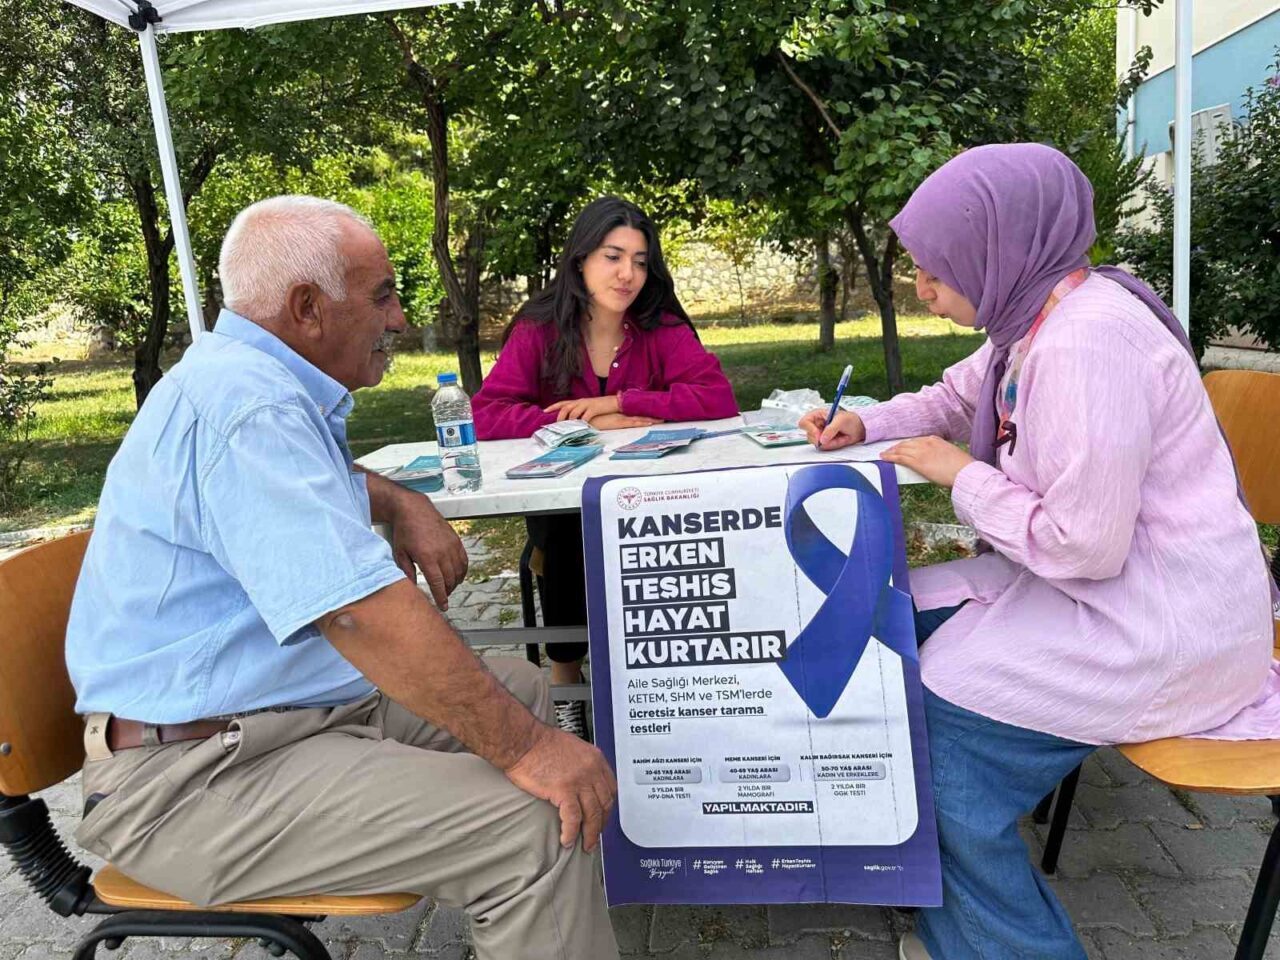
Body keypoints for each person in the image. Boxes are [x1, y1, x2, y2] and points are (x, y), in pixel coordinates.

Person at [65, 196, 621, 960]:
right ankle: (524, 889)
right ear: (307, 309)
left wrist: (395, 495)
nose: (397, 319)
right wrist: (531, 754)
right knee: (538, 822)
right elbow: (361, 616)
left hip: (264, 719)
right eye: (383, 296)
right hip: (190, 782)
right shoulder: (246, 406)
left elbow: (306, 487)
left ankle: (529, 920)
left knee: (523, 690)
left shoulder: (250, 384)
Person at [800, 144, 1278, 960]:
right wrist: (868, 423)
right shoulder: (1040, 311)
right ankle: (946, 891)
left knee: (933, 740)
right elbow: (960, 393)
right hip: (1135, 592)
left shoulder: (1085, 342)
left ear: (997, 247)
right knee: (891, 617)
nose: (921, 287)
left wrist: (960, 476)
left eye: (934, 269)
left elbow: (1085, 545)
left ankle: (994, 931)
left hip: (1163, 625)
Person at [472, 196, 738, 736]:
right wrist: (579, 427)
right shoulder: (540, 329)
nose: (628, 274)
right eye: (613, 256)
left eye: (640, 261)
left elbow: (717, 398)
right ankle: (567, 687)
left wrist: (626, 403)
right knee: (568, 531)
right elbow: (485, 414)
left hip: (654, 489)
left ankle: (665, 685)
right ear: (580, 261)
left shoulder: (658, 325)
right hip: (569, 497)